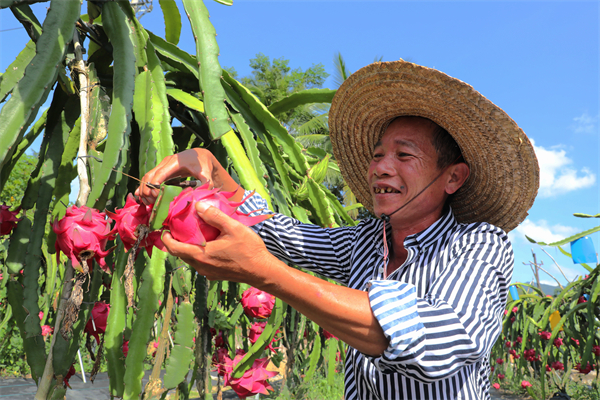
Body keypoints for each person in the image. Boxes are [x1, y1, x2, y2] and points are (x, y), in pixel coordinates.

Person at [136, 61, 539, 400]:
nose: (381, 166)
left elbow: (437, 343)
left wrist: (265, 274)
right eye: (378, 154)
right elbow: (276, 233)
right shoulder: (361, 242)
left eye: (404, 155)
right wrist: (212, 167)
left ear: (453, 177)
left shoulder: (480, 244)